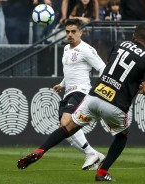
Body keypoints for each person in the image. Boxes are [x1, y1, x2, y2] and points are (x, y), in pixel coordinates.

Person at [17, 23, 145, 182]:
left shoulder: (120, 44)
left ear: (133, 36)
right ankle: (102, 172)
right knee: (122, 136)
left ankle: (40, 150)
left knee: (67, 128)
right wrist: (140, 87)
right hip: (116, 105)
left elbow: (111, 65)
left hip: (94, 97)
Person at [52, 18, 106, 170]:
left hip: (81, 91)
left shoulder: (87, 50)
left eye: (73, 32)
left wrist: (100, 88)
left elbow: (103, 68)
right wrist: (62, 84)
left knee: (65, 123)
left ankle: (91, 154)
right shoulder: (66, 49)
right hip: (69, 92)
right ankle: (93, 154)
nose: (70, 35)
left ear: (81, 32)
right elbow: (70, 70)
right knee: (66, 130)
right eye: (67, 32)